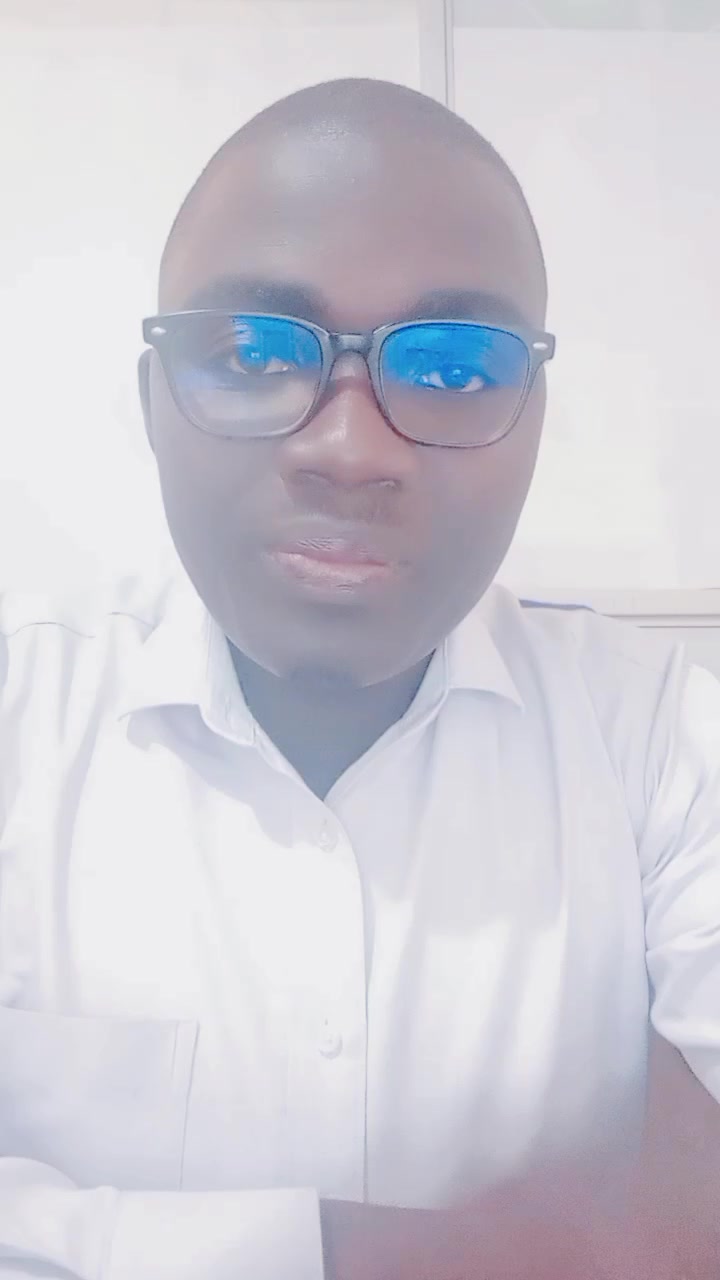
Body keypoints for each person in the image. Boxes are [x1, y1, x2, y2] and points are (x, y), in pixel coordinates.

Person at [0, 77, 718, 1280]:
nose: (350, 447)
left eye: (453, 369)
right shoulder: (19, 724)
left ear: (534, 418)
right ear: (154, 403)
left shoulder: (663, 742)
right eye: (250, 351)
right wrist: (369, 1250)